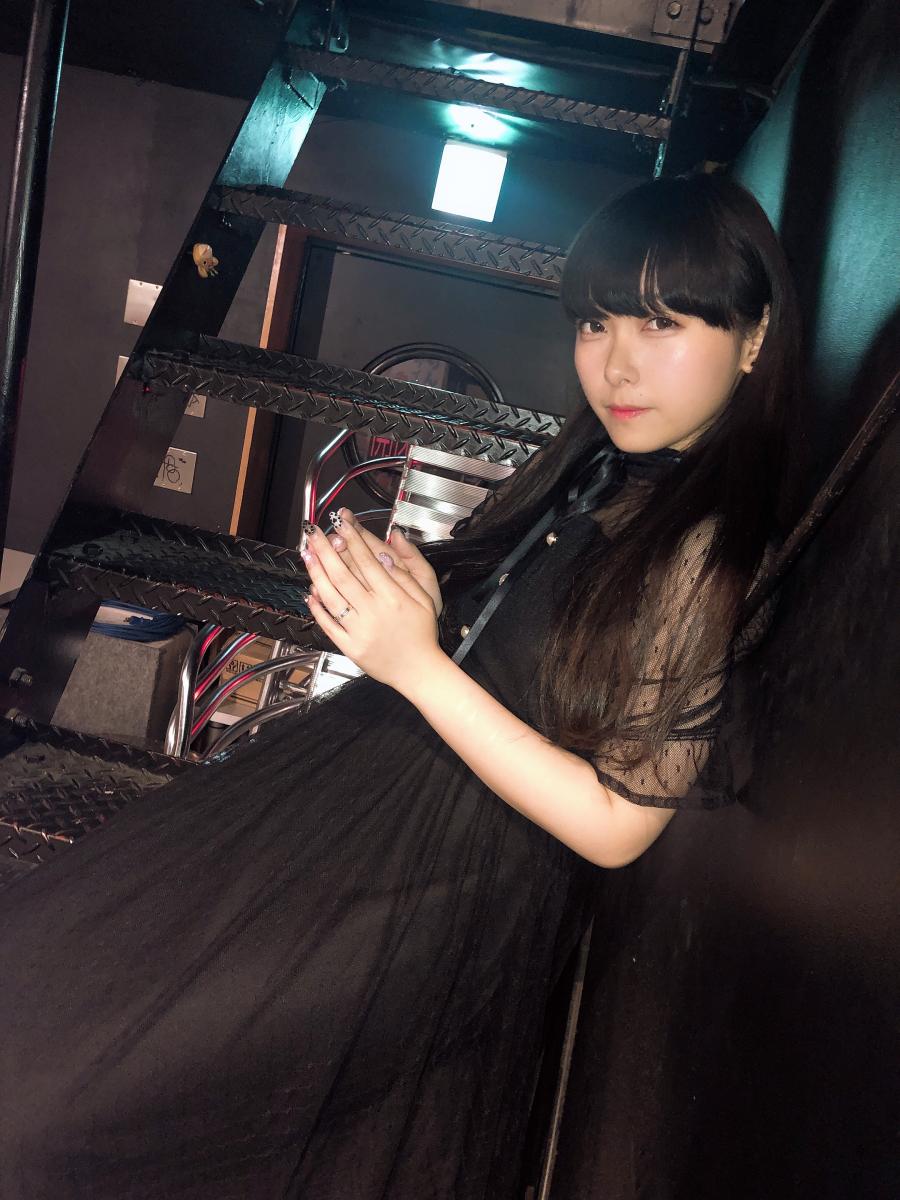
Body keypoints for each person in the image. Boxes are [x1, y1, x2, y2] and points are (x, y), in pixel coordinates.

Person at [0, 172, 800, 1199]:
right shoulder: (609, 466)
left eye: (660, 324)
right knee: (68, 993)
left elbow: (616, 825)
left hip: (440, 875)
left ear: (754, 337)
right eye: (595, 323)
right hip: (361, 792)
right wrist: (429, 600)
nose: (615, 364)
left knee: (73, 1096)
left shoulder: (708, 548)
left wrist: (416, 662)